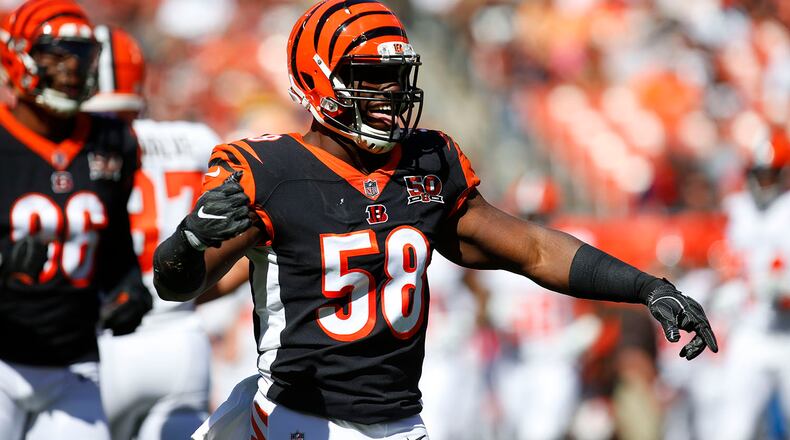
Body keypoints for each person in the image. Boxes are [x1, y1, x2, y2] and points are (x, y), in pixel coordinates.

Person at [153, 1, 718, 439]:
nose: (390, 93)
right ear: (319, 80)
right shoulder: (268, 170)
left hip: (400, 420)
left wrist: (644, 286)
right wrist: (190, 240)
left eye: (396, 77)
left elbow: (533, 250)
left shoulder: (428, 161)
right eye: (371, 76)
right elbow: (177, 284)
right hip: (297, 416)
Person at [80, 25, 243, 440]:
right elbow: (249, 248)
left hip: (101, 340)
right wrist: (182, 297)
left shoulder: (76, 150)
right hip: (181, 342)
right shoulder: (195, 140)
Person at [0, 1, 152, 439]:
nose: (71, 68)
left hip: (75, 361)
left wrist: (127, 286)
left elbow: (114, 239)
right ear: (19, 55)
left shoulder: (113, 140)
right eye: (56, 55)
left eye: (82, 56)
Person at [716, 127, 790, 440]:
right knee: (734, 427)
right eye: (758, 175)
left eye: (769, 175)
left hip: (787, 334)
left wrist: (783, 288)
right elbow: (726, 263)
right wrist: (730, 288)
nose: (762, 183)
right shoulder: (738, 210)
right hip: (749, 331)